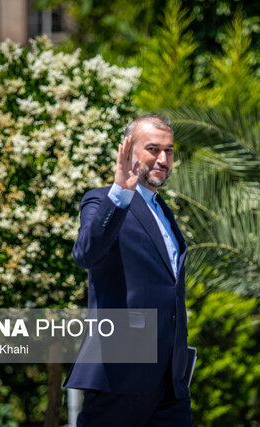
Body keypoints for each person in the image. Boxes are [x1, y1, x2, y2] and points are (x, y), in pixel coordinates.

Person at [64, 115, 192, 426]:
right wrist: (120, 192)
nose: (163, 159)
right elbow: (86, 253)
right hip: (120, 372)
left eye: (169, 151)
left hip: (170, 381)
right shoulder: (102, 200)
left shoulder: (165, 213)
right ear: (128, 150)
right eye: (153, 149)